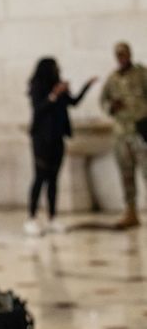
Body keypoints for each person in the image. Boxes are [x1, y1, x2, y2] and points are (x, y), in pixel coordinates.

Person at [24, 59, 96, 236]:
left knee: (54, 180)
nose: (58, 71)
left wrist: (86, 86)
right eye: (55, 68)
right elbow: (38, 109)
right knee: (40, 178)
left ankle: (52, 218)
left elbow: (74, 102)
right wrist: (53, 95)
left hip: (57, 139)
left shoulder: (59, 86)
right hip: (41, 140)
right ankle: (32, 218)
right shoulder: (37, 87)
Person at [100, 42, 147, 229]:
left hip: (141, 131)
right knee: (126, 173)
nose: (122, 57)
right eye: (118, 54)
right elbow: (103, 101)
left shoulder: (141, 74)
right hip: (121, 133)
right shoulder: (112, 79)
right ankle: (131, 211)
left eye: (124, 54)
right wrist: (111, 107)